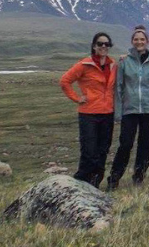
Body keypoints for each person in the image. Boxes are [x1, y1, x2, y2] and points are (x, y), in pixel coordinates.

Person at [108, 25, 149, 190]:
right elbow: (118, 88)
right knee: (125, 144)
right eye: (136, 39)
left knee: (144, 144)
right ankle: (114, 178)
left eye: (142, 39)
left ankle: (139, 177)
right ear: (132, 41)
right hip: (130, 110)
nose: (139, 42)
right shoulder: (124, 61)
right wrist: (118, 111)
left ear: (147, 41)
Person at [59, 32, 117, 188]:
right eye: (100, 44)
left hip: (107, 113)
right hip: (88, 114)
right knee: (89, 152)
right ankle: (81, 184)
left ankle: (95, 185)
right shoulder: (84, 64)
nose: (103, 46)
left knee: (103, 151)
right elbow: (65, 81)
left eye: (106, 44)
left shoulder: (113, 65)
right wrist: (77, 98)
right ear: (94, 46)